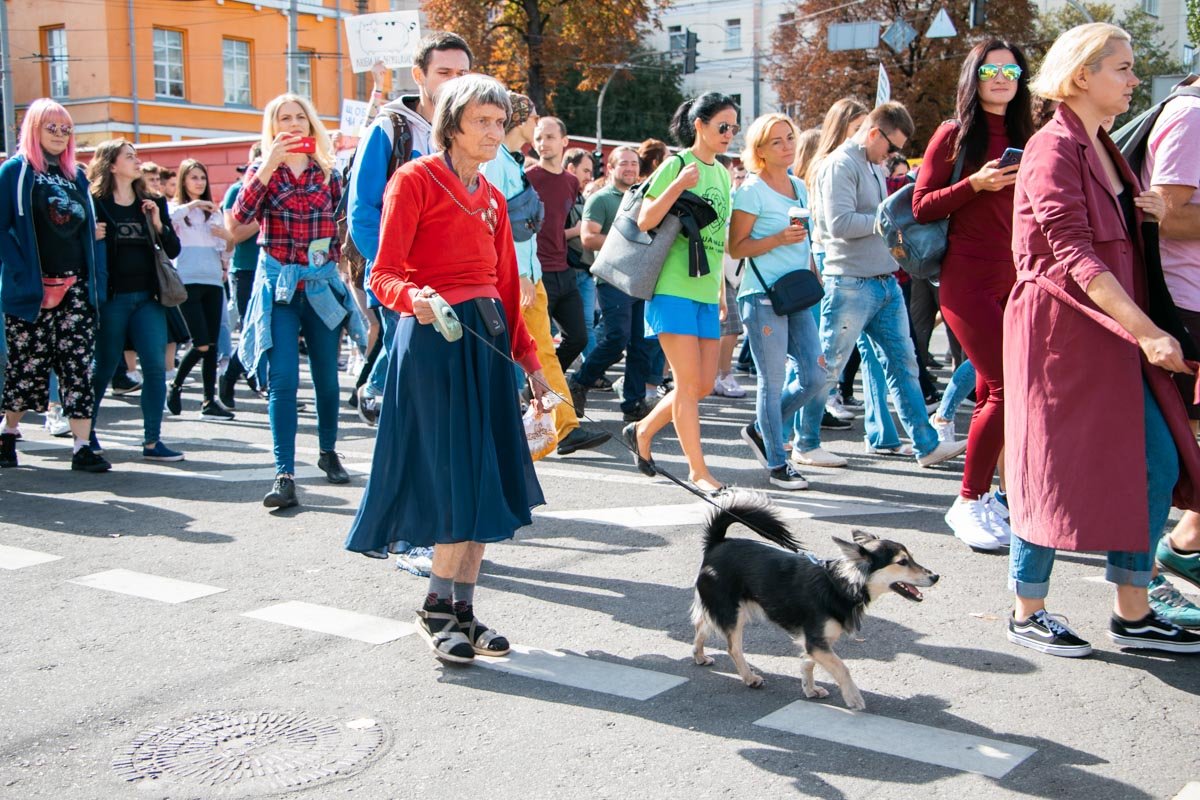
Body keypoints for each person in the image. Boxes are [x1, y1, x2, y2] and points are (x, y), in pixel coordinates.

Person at [1004, 23, 1200, 655]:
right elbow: (1073, 255)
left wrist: (1143, 212)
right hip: (1062, 331)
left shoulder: (1104, 143)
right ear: (1082, 74)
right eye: (1123, 67)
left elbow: (1104, 244)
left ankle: (1133, 612)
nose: (1135, 79)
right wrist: (1148, 333)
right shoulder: (1051, 146)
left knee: (1153, 461)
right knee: (1049, 466)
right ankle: (1027, 609)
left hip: (1108, 327)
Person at [345, 75, 548, 665]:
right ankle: (436, 607)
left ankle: (462, 608)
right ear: (452, 123)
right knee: (454, 475)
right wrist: (417, 301)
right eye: (482, 120)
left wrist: (531, 363)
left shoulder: (490, 196)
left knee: (483, 476)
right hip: (435, 340)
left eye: (498, 121)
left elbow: (508, 291)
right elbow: (382, 273)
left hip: (484, 338)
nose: (494, 131)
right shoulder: (414, 179)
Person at [795, 103, 968, 471]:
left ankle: (925, 444)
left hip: (880, 280)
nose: (892, 157)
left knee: (904, 365)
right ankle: (804, 442)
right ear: (875, 133)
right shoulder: (840, 164)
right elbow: (838, 224)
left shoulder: (869, 164)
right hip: (851, 281)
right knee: (829, 367)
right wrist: (886, 217)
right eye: (891, 148)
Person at [913, 40, 1035, 550]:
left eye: (1012, 70)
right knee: (1007, 389)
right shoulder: (954, 134)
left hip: (1016, 278)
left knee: (992, 392)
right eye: (992, 68)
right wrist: (976, 184)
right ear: (975, 75)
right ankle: (968, 499)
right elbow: (921, 206)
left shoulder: (1033, 134)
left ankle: (991, 498)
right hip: (966, 279)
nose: (1002, 77)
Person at [234, 93, 363, 509]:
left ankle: (328, 451)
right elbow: (238, 220)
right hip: (281, 289)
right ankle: (284, 473)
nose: (293, 125)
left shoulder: (329, 172)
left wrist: (345, 263)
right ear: (273, 128)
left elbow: (344, 225)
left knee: (328, 379)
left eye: (300, 118)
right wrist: (268, 165)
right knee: (284, 380)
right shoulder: (262, 170)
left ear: (311, 125)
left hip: (322, 287)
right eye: (283, 119)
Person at [348, 32, 472, 426]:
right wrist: (395, 276)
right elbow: (363, 212)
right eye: (444, 72)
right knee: (416, 381)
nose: (455, 81)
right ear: (419, 74)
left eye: (463, 73)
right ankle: (397, 449)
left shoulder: (468, 134)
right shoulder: (390, 130)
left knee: (441, 384)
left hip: (454, 281)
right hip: (402, 284)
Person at [623, 93, 738, 495]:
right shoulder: (676, 164)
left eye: (733, 128)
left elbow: (719, 238)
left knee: (702, 385)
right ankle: (698, 470)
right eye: (722, 126)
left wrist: (721, 291)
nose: (728, 134)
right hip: (671, 288)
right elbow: (644, 219)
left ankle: (642, 429)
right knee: (688, 385)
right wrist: (677, 185)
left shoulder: (723, 174)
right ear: (699, 125)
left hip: (706, 291)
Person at [482, 111, 609, 456]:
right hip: (518, 276)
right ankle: (556, 428)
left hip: (534, 272)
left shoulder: (511, 163)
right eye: (534, 117)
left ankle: (555, 426)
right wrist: (520, 274)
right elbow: (499, 225)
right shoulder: (500, 166)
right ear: (520, 118)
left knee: (544, 353)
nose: (538, 127)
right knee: (534, 355)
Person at [0, 99, 110, 472]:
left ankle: (82, 446)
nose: (61, 135)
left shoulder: (75, 175)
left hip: (75, 285)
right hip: (31, 289)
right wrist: (22, 273)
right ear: (33, 129)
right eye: (52, 128)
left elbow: (84, 229)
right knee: (27, 366)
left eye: (66, 129)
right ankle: (8, 433)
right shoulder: (16, 171)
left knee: (78, 365)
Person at [728, 113, 824, 489]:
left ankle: (760, 429)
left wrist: (814, 269)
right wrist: (777, 240)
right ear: (760, 151)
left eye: (790, 138)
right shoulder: (751, 190)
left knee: (815, 375)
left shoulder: (799, 185)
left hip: (798, 291)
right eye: (777, 142)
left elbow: (806, 237)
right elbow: (737, 247)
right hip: (763, 294)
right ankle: (777, 461)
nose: (787, 146)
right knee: (772, 379)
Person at [1142, 71, 1200, 627]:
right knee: (1162, 452)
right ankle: (1146, 585)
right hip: (1184, 308)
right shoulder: (1191, 115)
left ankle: (1183, 543)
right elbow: (1164, 215)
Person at [89, 139, 186, 462]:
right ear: (111, 165)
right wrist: (91, 236)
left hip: (149, 299)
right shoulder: (96, 204)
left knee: (155, 370)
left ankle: (151, 441)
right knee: (103, 368)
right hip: (112, 300)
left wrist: (158, 224)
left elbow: (172, 250)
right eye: (129, 157)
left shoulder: (151, 202)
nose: (136, 161)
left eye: (136, 156)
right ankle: (84, 434)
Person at [567, 146, 655, 422]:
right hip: (612, 278)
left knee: (642, 344)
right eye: (623, 164)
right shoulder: (601, 199)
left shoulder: (646, 198)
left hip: (642, 279)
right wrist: (630, 244)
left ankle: (633, 404)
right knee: (617, 338)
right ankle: (580, 381)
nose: (630, 168)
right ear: (611, 167)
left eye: (633, 163)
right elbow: (588, 238)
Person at [167, 159, 236, 420]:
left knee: (212, 344)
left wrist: (229, 240)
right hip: (187, 280)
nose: (199, 182)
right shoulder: (178, 209)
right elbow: (168, 220)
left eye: (202, 178)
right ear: (183, 180)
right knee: (201, 343)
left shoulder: (213, 213)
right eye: (193, 177)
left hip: (213, 281)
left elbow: (226, 252)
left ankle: (209, 401)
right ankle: (174, 386)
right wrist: (193, 205)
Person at [527, 118, 589, 374]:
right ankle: (535, 393)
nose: (543, 143)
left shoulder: (571, 182)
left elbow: (559, 223)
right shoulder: (527, 178)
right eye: (539, 138)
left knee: (578, 338)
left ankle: (536, 392)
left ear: (564, 142)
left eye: (550, 137)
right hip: (536, 272)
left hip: (564, 271)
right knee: (535, 343)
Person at [219, 143, 264, 408]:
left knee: (275, 333)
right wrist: (268, 218)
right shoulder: (236, 191)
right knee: (254, 331)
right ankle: (231, 373)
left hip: (279, 269)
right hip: (246, 270)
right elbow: (233, 235)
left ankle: (260, 381)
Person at [712, 153, 747, 399]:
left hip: (732, 272)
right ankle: (722, 375)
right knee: (730, 326)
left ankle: (720, 374)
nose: (731, 177)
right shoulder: (716, 198)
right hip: (716, 271)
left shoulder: (731, 199)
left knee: (728, 327)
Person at [563, 147, 598, 361]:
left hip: (583, 270)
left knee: (586, 326)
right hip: (563, 271)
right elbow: (546, 236)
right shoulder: (558, 197)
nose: (589, 176)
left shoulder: (582, 199)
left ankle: (590, 372)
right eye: (585, 171)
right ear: (570, 168)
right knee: (549, 328)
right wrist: (576, 232)